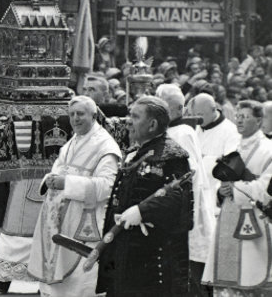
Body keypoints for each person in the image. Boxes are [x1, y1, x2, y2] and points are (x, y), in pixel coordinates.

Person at [96, 96, 193, 297]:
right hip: (124, 254)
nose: (128, 121)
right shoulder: (134, 153)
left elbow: (178, 200)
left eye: (135, 116)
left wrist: (142, 211)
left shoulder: (172, 156)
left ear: (152, 124)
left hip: (153, 259)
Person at [27, 96, 121, 297]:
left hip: (83, 220)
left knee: (79, 282)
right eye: (72, 114)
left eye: (81, 114)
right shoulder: (74, 140)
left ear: (94, 115)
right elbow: (60, 168)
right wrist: (50, 180)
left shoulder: (105, 146)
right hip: (59, 219)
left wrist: (66, 183)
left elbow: (108, 186)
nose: (75, 119)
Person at [203, 100, 272, 295]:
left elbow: (265, 189)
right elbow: (223, 181)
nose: (239, 121)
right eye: (238, 116)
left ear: (259, 121)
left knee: (253, 282)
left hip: (257, 220)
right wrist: (220, 191)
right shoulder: (235, 147)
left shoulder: (269, 149)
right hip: (229, 217)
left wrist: (233, 189)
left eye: (245, 117)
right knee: (228, 283)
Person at [156, 84, 216, 297]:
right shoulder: (175, 131)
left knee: (191, 281)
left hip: (186, 219)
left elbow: (189, 179)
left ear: (172, 108)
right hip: (177, 217)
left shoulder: (181, 134)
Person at [194, 93, 241, 195]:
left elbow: (231, 168)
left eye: (200, 114)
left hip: (214, 192)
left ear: (213, 109)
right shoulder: (195, 128)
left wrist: (204, 160)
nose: (197, 119)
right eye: (195, 114)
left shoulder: (231, 131)